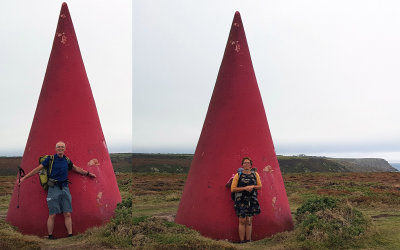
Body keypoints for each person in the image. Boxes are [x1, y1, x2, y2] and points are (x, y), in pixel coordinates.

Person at [18, 141, 96, 239]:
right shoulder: (50, 159)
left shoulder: (67, 160)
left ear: (64, 149)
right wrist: (24, 178)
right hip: (53, 188)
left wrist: (88, 174)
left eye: (62, 147)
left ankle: (70, 235)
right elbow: (38, 169)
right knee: (52, 214)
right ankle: (50, 235)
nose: (60, 149)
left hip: (65, 188)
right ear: (56, 149)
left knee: (67, 213)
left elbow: (76, 169)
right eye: (58, 147)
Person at [231, 157, 262, 243]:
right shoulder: (238, 175)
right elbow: (233, 189)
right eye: (245, 163)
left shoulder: (255, 174)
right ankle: (242, 241)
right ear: (242, 165)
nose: (246, 164)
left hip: (252, 200)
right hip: (240, 200)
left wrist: (252, 187)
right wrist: (245, 188)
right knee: (242, 221)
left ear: (251, 165)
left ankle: (248, 240)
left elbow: (259, 186)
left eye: (248, 163)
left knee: (249, 221)